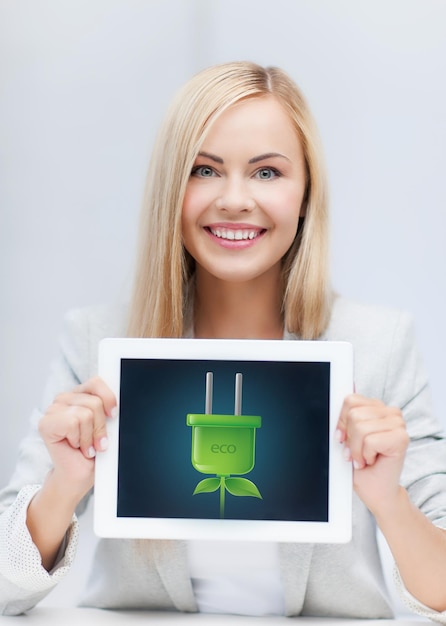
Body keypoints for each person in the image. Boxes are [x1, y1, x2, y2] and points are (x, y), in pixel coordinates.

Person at [1, 60, 446, 619]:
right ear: (172, 189)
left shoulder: (379, 343)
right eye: (204, 170)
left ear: (306, 192)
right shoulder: (98, 339)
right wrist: (62, 487)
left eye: (266, 173)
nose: (234, 199)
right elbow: (5, 586)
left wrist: (389, 501)